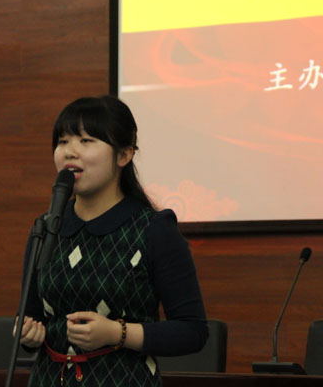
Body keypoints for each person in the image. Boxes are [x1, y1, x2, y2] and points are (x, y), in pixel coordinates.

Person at [15, 96, 208, 387]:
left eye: (86, 141)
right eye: (63, 141)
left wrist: (118, 333)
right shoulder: (46, 228)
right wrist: (28, 333)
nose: (70, 152)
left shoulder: (153, 229)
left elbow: (192, 332)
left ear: (124, 155)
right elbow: (32, 318)